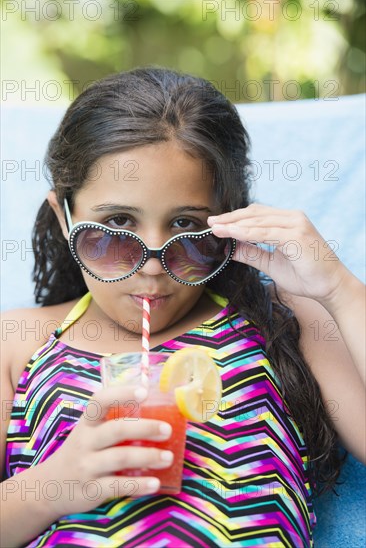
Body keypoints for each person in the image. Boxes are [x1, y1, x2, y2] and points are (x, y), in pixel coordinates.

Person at [1, 67, 364, 548]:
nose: (152, 266)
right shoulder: (19, 341)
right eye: (116, 224)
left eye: (185, 226)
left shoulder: (284, 319)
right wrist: (52, 488)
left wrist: (338, 289)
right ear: (62, 216)